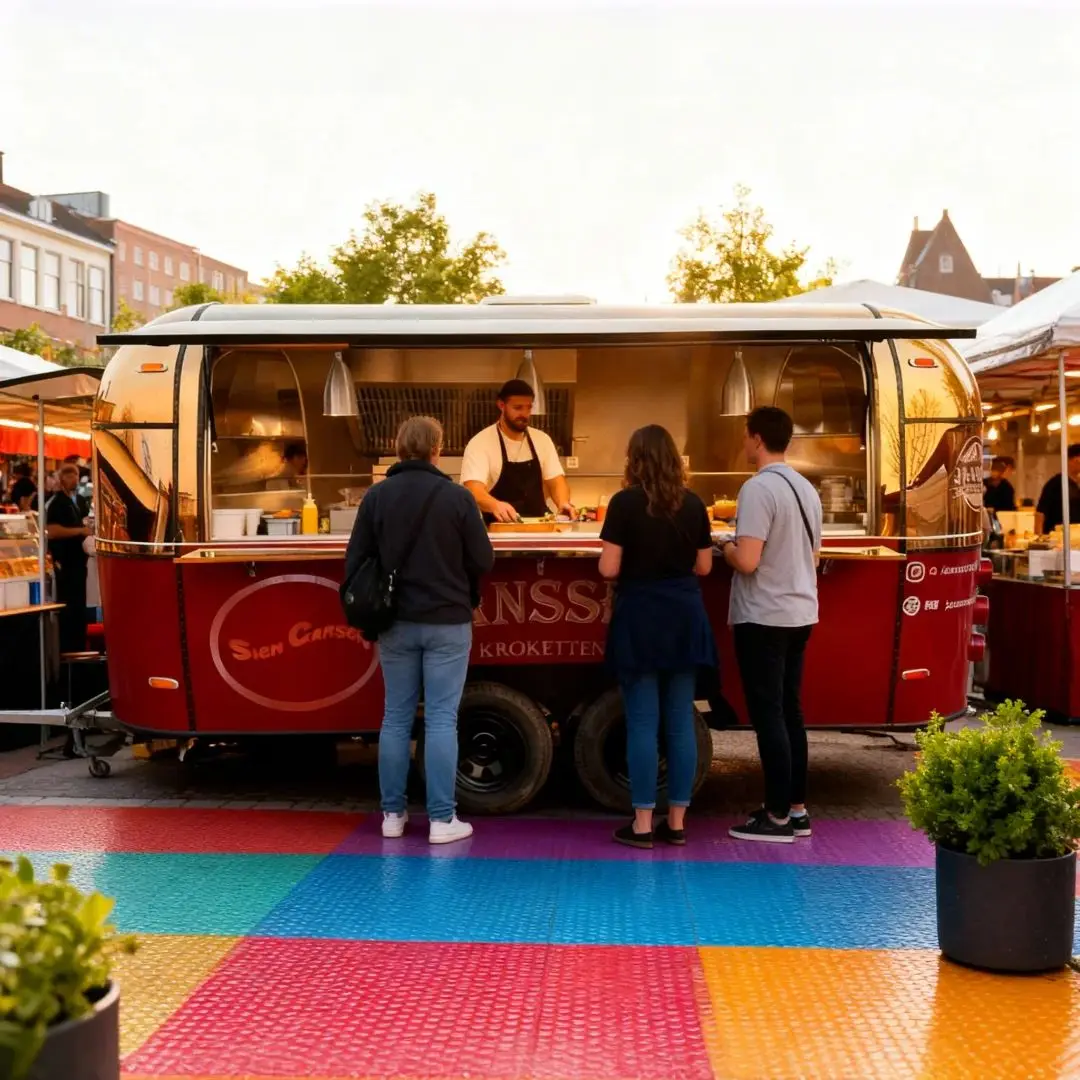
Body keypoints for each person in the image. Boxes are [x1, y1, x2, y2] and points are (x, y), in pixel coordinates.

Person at [346, 416, 494, 845]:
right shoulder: (457, 498)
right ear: (437, 449)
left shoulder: (376, 498)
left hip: (395, 624)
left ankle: (392, 816)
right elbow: (483, 560)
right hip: (448, 622)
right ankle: (442, 821)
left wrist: (365, 620)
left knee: (395, 718)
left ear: (397, 449)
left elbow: (355, 562)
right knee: (442, 720)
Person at [598, 425, 715, 849]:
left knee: (643, 723)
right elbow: (704, 567)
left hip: (641, 617)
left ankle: (643, 824)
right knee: (680, 722)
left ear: (635, 459)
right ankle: (678, 822)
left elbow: (609, 568)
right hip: (684, 617)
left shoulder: (624, 503)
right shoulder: (694, 504)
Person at [717, 406, 822, 844]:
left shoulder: (758, 489)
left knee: (769, 716)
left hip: (764, 615)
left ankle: (775, 817)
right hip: (801, 613)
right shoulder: (806, 488)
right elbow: (813, 556)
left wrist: (723, 544)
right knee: (791, 712)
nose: (744, 443)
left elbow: (748, 560)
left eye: (746, 436)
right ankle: (797, 809)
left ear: (756, 438)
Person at [461, 379, 575, 523]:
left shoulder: (542, 440)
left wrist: (563, 502)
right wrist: (495, 505)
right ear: (501, 405)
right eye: (518, 408)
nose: (525, 414)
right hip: (498, 530)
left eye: (528, 408)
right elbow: (473, 489)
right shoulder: (480, 443)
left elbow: (557, 481)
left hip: (539, 530)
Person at [45, 463, 92, 653]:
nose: (74, 479)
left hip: (79, 564)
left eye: (76, 475)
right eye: (70, 476)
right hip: (65, 564)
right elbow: (52, 531)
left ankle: (79, 643)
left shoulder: (79, 500)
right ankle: (68, 647)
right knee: (69, 608)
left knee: (79, 607)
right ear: (62, 479)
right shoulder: (56, 503)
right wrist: (80, 530)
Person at [1035, 445, 1080, 535]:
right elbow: (1040, 512)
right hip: (1056, 534)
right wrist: (1038, 536)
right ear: (1069, 461)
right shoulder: (1055, 483)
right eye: (1077, 462)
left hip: (1076, 533)